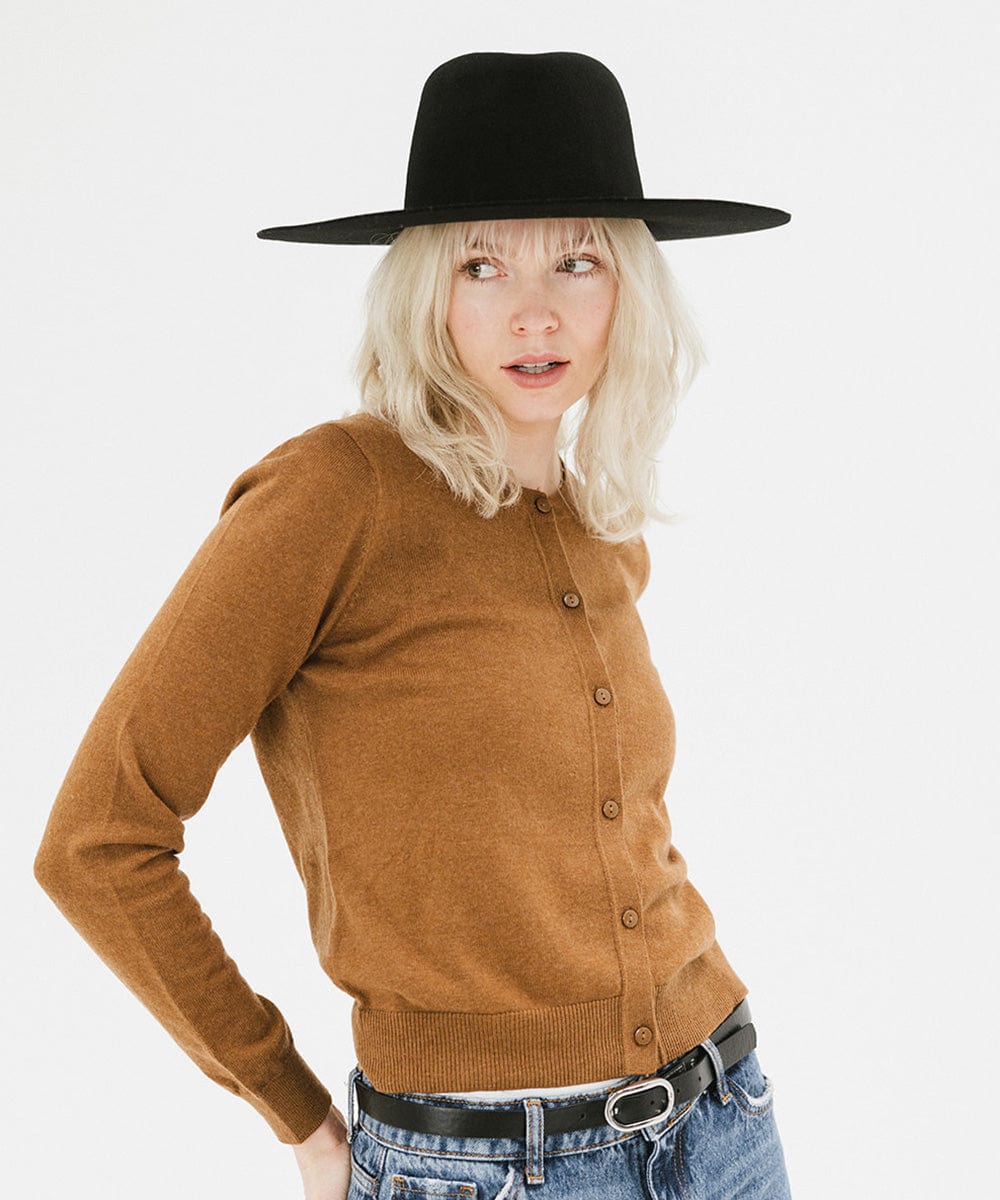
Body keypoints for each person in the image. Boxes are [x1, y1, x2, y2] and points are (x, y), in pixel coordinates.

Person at [34, 51, 793, 1200]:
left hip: (720, 1118)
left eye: (576, 259)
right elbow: (97, 839)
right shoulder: (333, 495)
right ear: (422, 290)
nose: (534, 311)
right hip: (490, 1166)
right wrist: (292, 1108)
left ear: (627, 287)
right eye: (481, 263)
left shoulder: (595, 518)